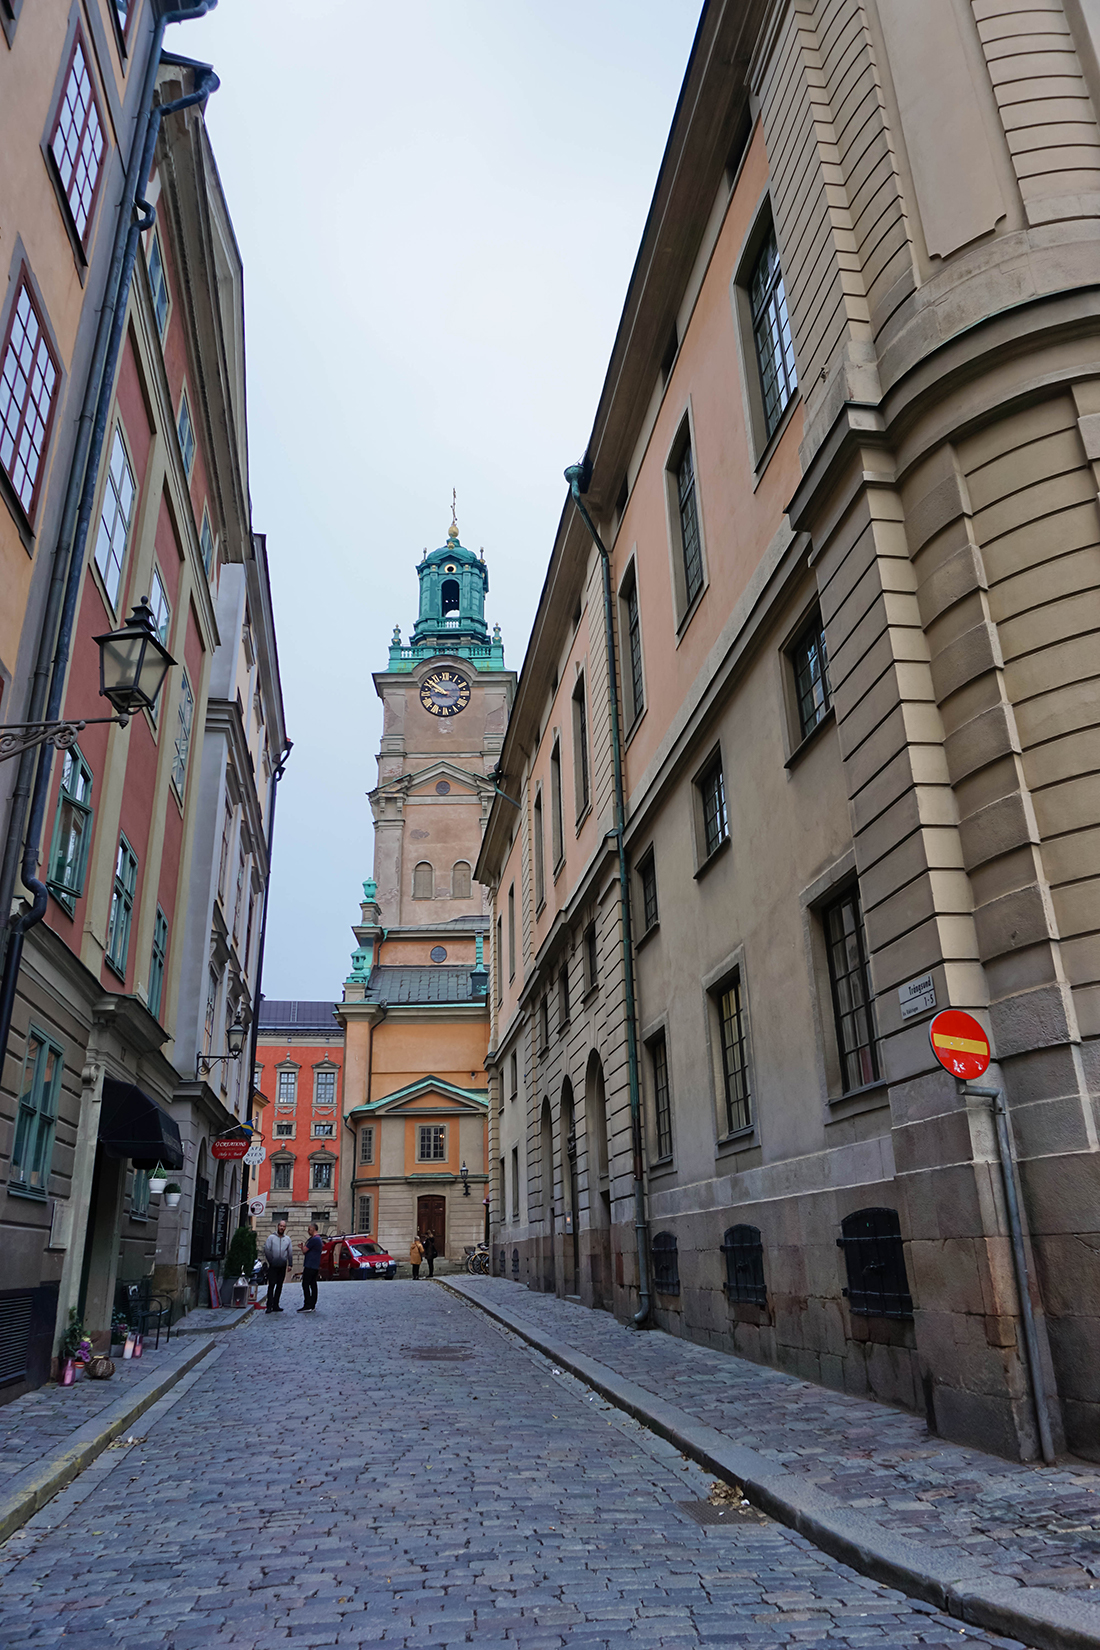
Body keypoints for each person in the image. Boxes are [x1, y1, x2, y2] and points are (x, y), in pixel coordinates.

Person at [263, 1220, 292, 1313]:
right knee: (271, 1285)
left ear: (285, 1228)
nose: (282, 1228)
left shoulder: (287, 1239)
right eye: (280, 1226)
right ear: (278, 1226)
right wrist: (271, 1261)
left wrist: (290, 1264)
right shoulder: (271, 1238)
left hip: (282, 1265)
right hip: (273, 1265)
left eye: (284, 1226)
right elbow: (267, 1249)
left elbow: (290, 1252)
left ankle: (276, 1304)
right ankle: (269, 1305)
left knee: (279, 1285)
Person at [299, 1223, 323, 1311]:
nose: (308, 1231)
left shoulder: (314, 1240)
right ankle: (312, 1304)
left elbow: (305, 1250)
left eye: (309, 1229)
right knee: (313, 1284)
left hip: (310, 1265)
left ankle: (308, 1304)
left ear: (313, 1229)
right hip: (315, 1266)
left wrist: (302, 1248)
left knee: (305, 1284)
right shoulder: (318, 1239)